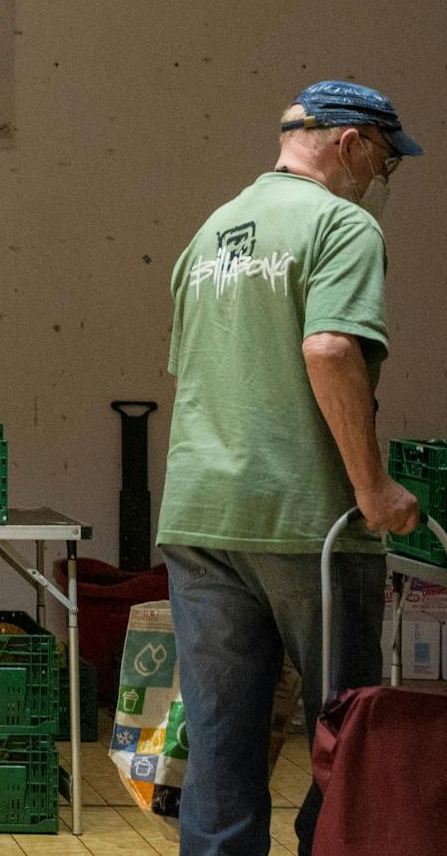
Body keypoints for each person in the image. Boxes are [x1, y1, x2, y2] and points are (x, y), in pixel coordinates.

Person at [159, 80, 422, 856]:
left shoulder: (209, 233)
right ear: (350, 143)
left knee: (217, 745)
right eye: (383, 160)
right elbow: (330, 348)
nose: (380, 179)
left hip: (201, 519)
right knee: (343, 741)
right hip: (311, 525)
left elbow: (196, 376)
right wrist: (373, 489)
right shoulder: (343, 225)